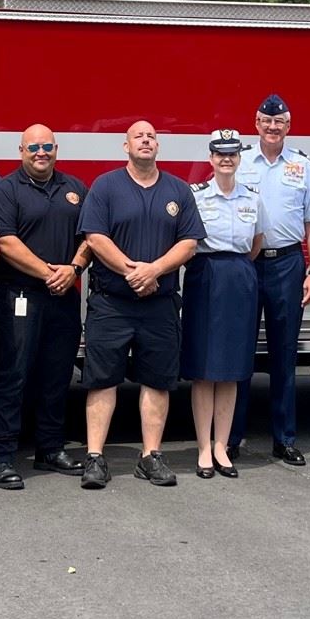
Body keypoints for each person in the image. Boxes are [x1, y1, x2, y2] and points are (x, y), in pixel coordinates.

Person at [76, 121, 205, 489]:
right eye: (138, 136)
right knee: (102, 381)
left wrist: (155, 270)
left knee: (157, 381)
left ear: (157, 146)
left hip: (160, 305)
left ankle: (150, 456)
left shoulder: (178, 190)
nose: (145, 141)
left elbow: (189, 242)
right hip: (112, 303)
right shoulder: (106, 186)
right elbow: (95, 237)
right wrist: (132, 271)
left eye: (151, 136)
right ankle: (96, 458)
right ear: (126, 146)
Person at [0, 124, 91, 482]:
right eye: (33, 147)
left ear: (56, 149)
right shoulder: (6, 189)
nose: (41, 152)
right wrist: (51, 273)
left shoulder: (74, 188)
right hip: (20, 296)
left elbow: (91, 236)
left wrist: (74, 268)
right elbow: (6, 242)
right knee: (13, 375)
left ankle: (50, 448)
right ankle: (1, 456)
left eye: (47, 146)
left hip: (63, 298)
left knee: (57, 375)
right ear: (21, 151)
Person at [237, 92, 310, 465]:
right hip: (246, 263)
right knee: (239, 352)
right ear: (256, 124)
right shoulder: (238, 161)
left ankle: (284, 438)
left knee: (284, 354)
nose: (273, 127)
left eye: (280, 122)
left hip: (288, 264)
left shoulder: (303, 167)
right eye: (266, 121)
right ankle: (231, 438)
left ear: (289, 126)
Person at [183, 131, 263, 479]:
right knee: (204, 368)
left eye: (232, 155)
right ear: (211, 158)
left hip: (240, 277)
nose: (226, 160)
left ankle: (222, 446)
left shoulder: (253, 198)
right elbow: (187, 241)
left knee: (231, 368)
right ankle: (203, 447)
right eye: (220, 155)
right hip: (206, 274)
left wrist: (236, 269)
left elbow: (256, 243)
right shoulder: (196, 196)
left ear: (239, 159)